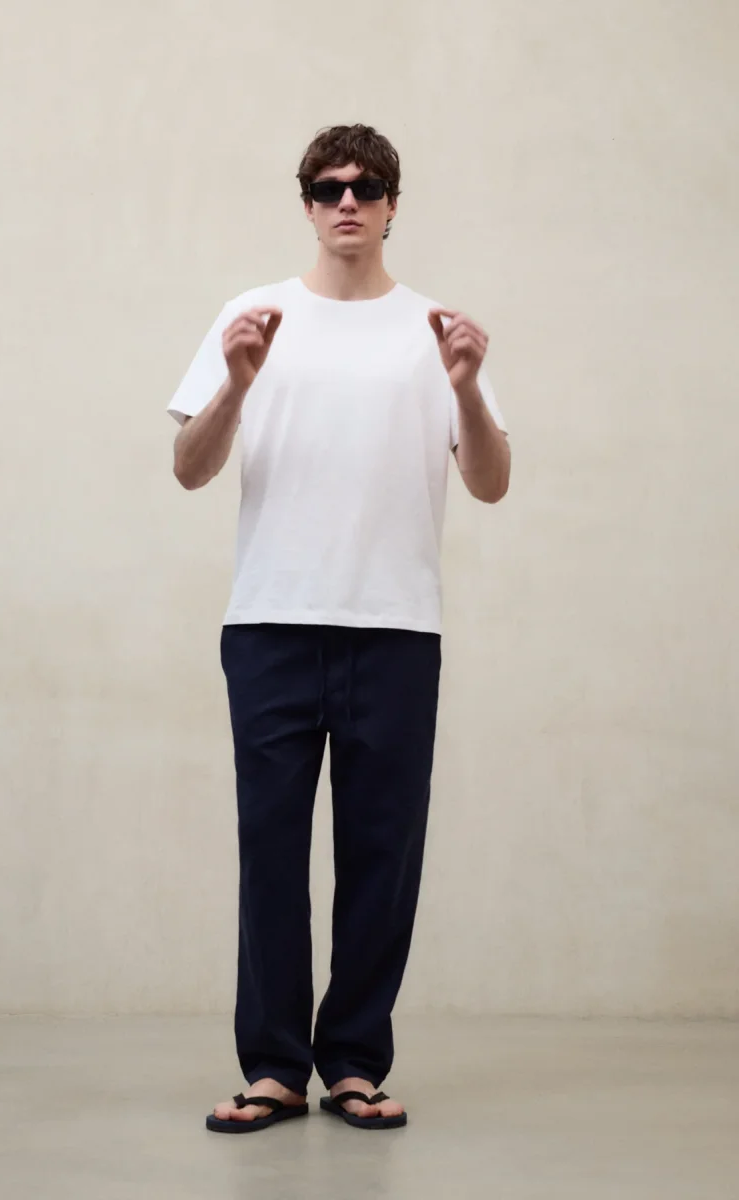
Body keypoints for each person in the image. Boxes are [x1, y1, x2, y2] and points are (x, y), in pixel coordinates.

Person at [167, 124, 510, 1133]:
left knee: (380, 855)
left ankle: (354, 1063)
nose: (345, 201)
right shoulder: (251, 314)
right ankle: (274, 1068)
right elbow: (189, 468)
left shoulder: (435, 331)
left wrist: (463, 389)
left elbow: (490, 482)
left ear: (392, 203)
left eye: (364, 186)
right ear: (307, 203)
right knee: (270, 851)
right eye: (326, 187)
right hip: (270, 624)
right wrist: (237, 381)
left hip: (395, 628)